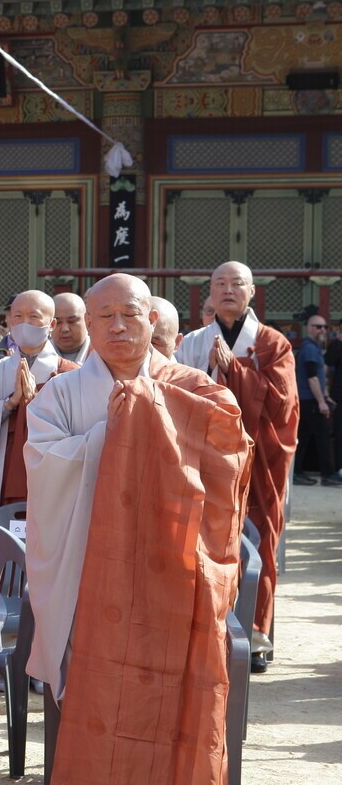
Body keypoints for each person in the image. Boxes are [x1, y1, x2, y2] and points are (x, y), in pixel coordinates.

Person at [25, 274, 252, 784]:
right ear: (88, 324)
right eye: (103, 316)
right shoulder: (58, 395)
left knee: (176, 689)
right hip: (90, 568)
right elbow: (42, 464)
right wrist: (124, 429)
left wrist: (143, 418)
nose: (117, 326)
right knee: (97, 688)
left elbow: (229, 465)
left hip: (173, 567)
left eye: (129, 314)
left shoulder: (197, 390)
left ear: (153, 320)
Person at [177, 261, 299, 671]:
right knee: (204, 540)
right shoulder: (194, 342)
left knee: (259, 542)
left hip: (258, 458)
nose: (228, 290)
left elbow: (283, 404)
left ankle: (257, 635)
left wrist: (237, 371)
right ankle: (208, 633)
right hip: (206, 457)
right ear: (209, 293)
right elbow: (175, 392)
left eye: (237, 283)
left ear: (251, 291)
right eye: (220, 284)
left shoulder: (272, 343)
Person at [0, 290, 79, 516]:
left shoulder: (70, 375)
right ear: (8, 321)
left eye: (34, 317)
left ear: (51, 324)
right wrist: (7, 405)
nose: (25, 323)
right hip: (1, 474)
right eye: (17, 317)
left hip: (52, 477)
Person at [296, 315, 340, 486]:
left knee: (304, 437)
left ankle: (297, 471)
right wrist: (322, 402)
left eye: (325, 327)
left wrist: (326, 397)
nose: (322, 330)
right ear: (308, 327)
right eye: (318, 326)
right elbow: (312, 377)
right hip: (311, 401)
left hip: (311, 400)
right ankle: (327, 474)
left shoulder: (313, 348)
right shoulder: (310, 349)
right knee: (321, 437)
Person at [174, 293, 217, 368]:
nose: (214, 316)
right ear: (202, 314)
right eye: (210, 311)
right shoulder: (190, 340)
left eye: (220, 311)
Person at [51, 292, 90, 364]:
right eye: (58, 322)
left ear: (87, 320)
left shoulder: (102, 354)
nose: (65, 329)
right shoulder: (37, 357)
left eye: (72, 321)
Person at [326, 319, 342, 483]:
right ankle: (340, 469)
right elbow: (328, 361)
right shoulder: (337, 345)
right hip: (340, 398)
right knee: (340, 436)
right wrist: (337, 342)